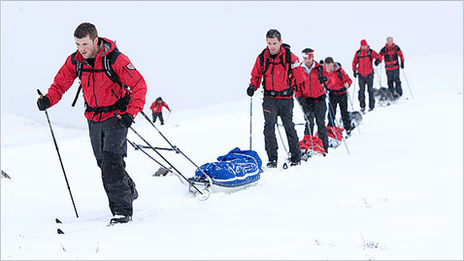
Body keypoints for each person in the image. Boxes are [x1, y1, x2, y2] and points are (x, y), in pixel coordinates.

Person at [36, 22, 147, 224]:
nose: (81, 49)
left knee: (112, 163)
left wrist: (131, 113)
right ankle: (128, 191)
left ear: (95, 40)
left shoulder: (115, 59)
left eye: (85, 44)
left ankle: (122, 211)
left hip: (117, 116)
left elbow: (139, 85)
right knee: (102, 163)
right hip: (93, 118)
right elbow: (61, 83)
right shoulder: (76, 61)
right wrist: (48, 99)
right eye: (77, 44)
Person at [247, 29, 301, 168]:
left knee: (289, 126)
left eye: (275, 43)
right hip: (269, 97)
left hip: (285, 97)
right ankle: (272, 159)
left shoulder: (290, 57)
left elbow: (300, 77)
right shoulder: (262, 57)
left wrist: (298, 87)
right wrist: (253, 86)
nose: (272, 46)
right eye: (269, 43)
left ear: (280, 42)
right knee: (268, 128)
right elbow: (256, 75)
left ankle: (296, 157)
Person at [293, 48, 329, 154]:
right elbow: (296, 86)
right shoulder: (300, 69)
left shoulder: (320, 68)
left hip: (320, 99)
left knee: (320, 123)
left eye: (309, 58)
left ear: (312, 57)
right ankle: (307, 146)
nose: (307, 60)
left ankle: (323, 148)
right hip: (306, 100)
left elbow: (329, 80)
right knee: (309, 123)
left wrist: (325, 79)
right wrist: (300, 99)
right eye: (305, 58)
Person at [324, 57, 353, 135]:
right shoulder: (324, 73)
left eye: (330, 66)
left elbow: (348, 80)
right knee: (331, 112)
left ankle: (348, 128)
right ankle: (330, 128)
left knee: (344, 112)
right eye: (327, 66)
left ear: (333, 64)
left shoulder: (339, 70)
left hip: (342, 93)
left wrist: (347, 83)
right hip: (332, 94)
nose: (329, 68)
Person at [352, 39, 382, 112]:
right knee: (361, 91)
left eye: (364, 45)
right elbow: (354, 62)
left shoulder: (370, 52)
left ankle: (371, 106)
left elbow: (379, 56)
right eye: (362, 46)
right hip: (361, 75)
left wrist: (378, 61)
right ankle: (362, 106)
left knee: (370, 90)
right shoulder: (358, 53)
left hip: (369, 74)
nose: (363, 47)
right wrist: (354, 70)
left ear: (366, 45)